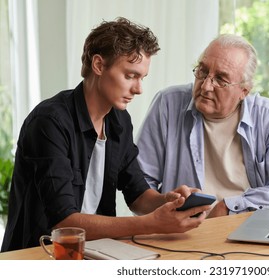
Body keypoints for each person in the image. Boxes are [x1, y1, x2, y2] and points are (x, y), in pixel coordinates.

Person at [1, 17, 209, 252]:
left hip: (99, 251)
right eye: (130, 76)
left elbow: (138, 194)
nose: (139, 89)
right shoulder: (49, 122)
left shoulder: (119, 120)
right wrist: (150, 224)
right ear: (98, 65)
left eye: (142, 78)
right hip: (40, 255)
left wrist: (169, 202)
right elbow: (64, 222)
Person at [136, 34, 269, 218]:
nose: (205, 86)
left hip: (245, 224)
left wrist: (230, 207)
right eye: (202, 72)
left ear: (244, 91)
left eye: (221, 79)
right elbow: (138, 187)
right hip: (182, 232)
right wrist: (165, 205)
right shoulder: (168, 104)